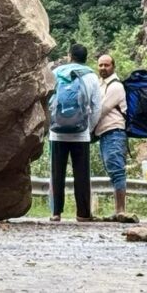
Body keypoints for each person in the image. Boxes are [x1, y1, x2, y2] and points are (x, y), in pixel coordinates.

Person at [48, 43, 102, 222]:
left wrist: (51, 124)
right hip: (81, 133)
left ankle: (56, 212)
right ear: (86, 57)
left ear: (69, 55)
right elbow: (96, 107)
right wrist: (90, 127)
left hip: (57, 132)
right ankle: (83, 213)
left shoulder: (56, 73)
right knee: (82, 174)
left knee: (57, 173)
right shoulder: (91, 77)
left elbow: (48, 100)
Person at [93, 54, 133, 222]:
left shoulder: (115, 87)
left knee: (117, 170)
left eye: (106, 65)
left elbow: (101, 109)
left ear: (113, 66)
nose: (103, 68)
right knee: (112, 170)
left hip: (114, 132)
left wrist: (85, 128)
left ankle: (121, 210)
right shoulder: (103, 85)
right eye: (101, 65)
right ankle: (118, 211)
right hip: (105, 133)